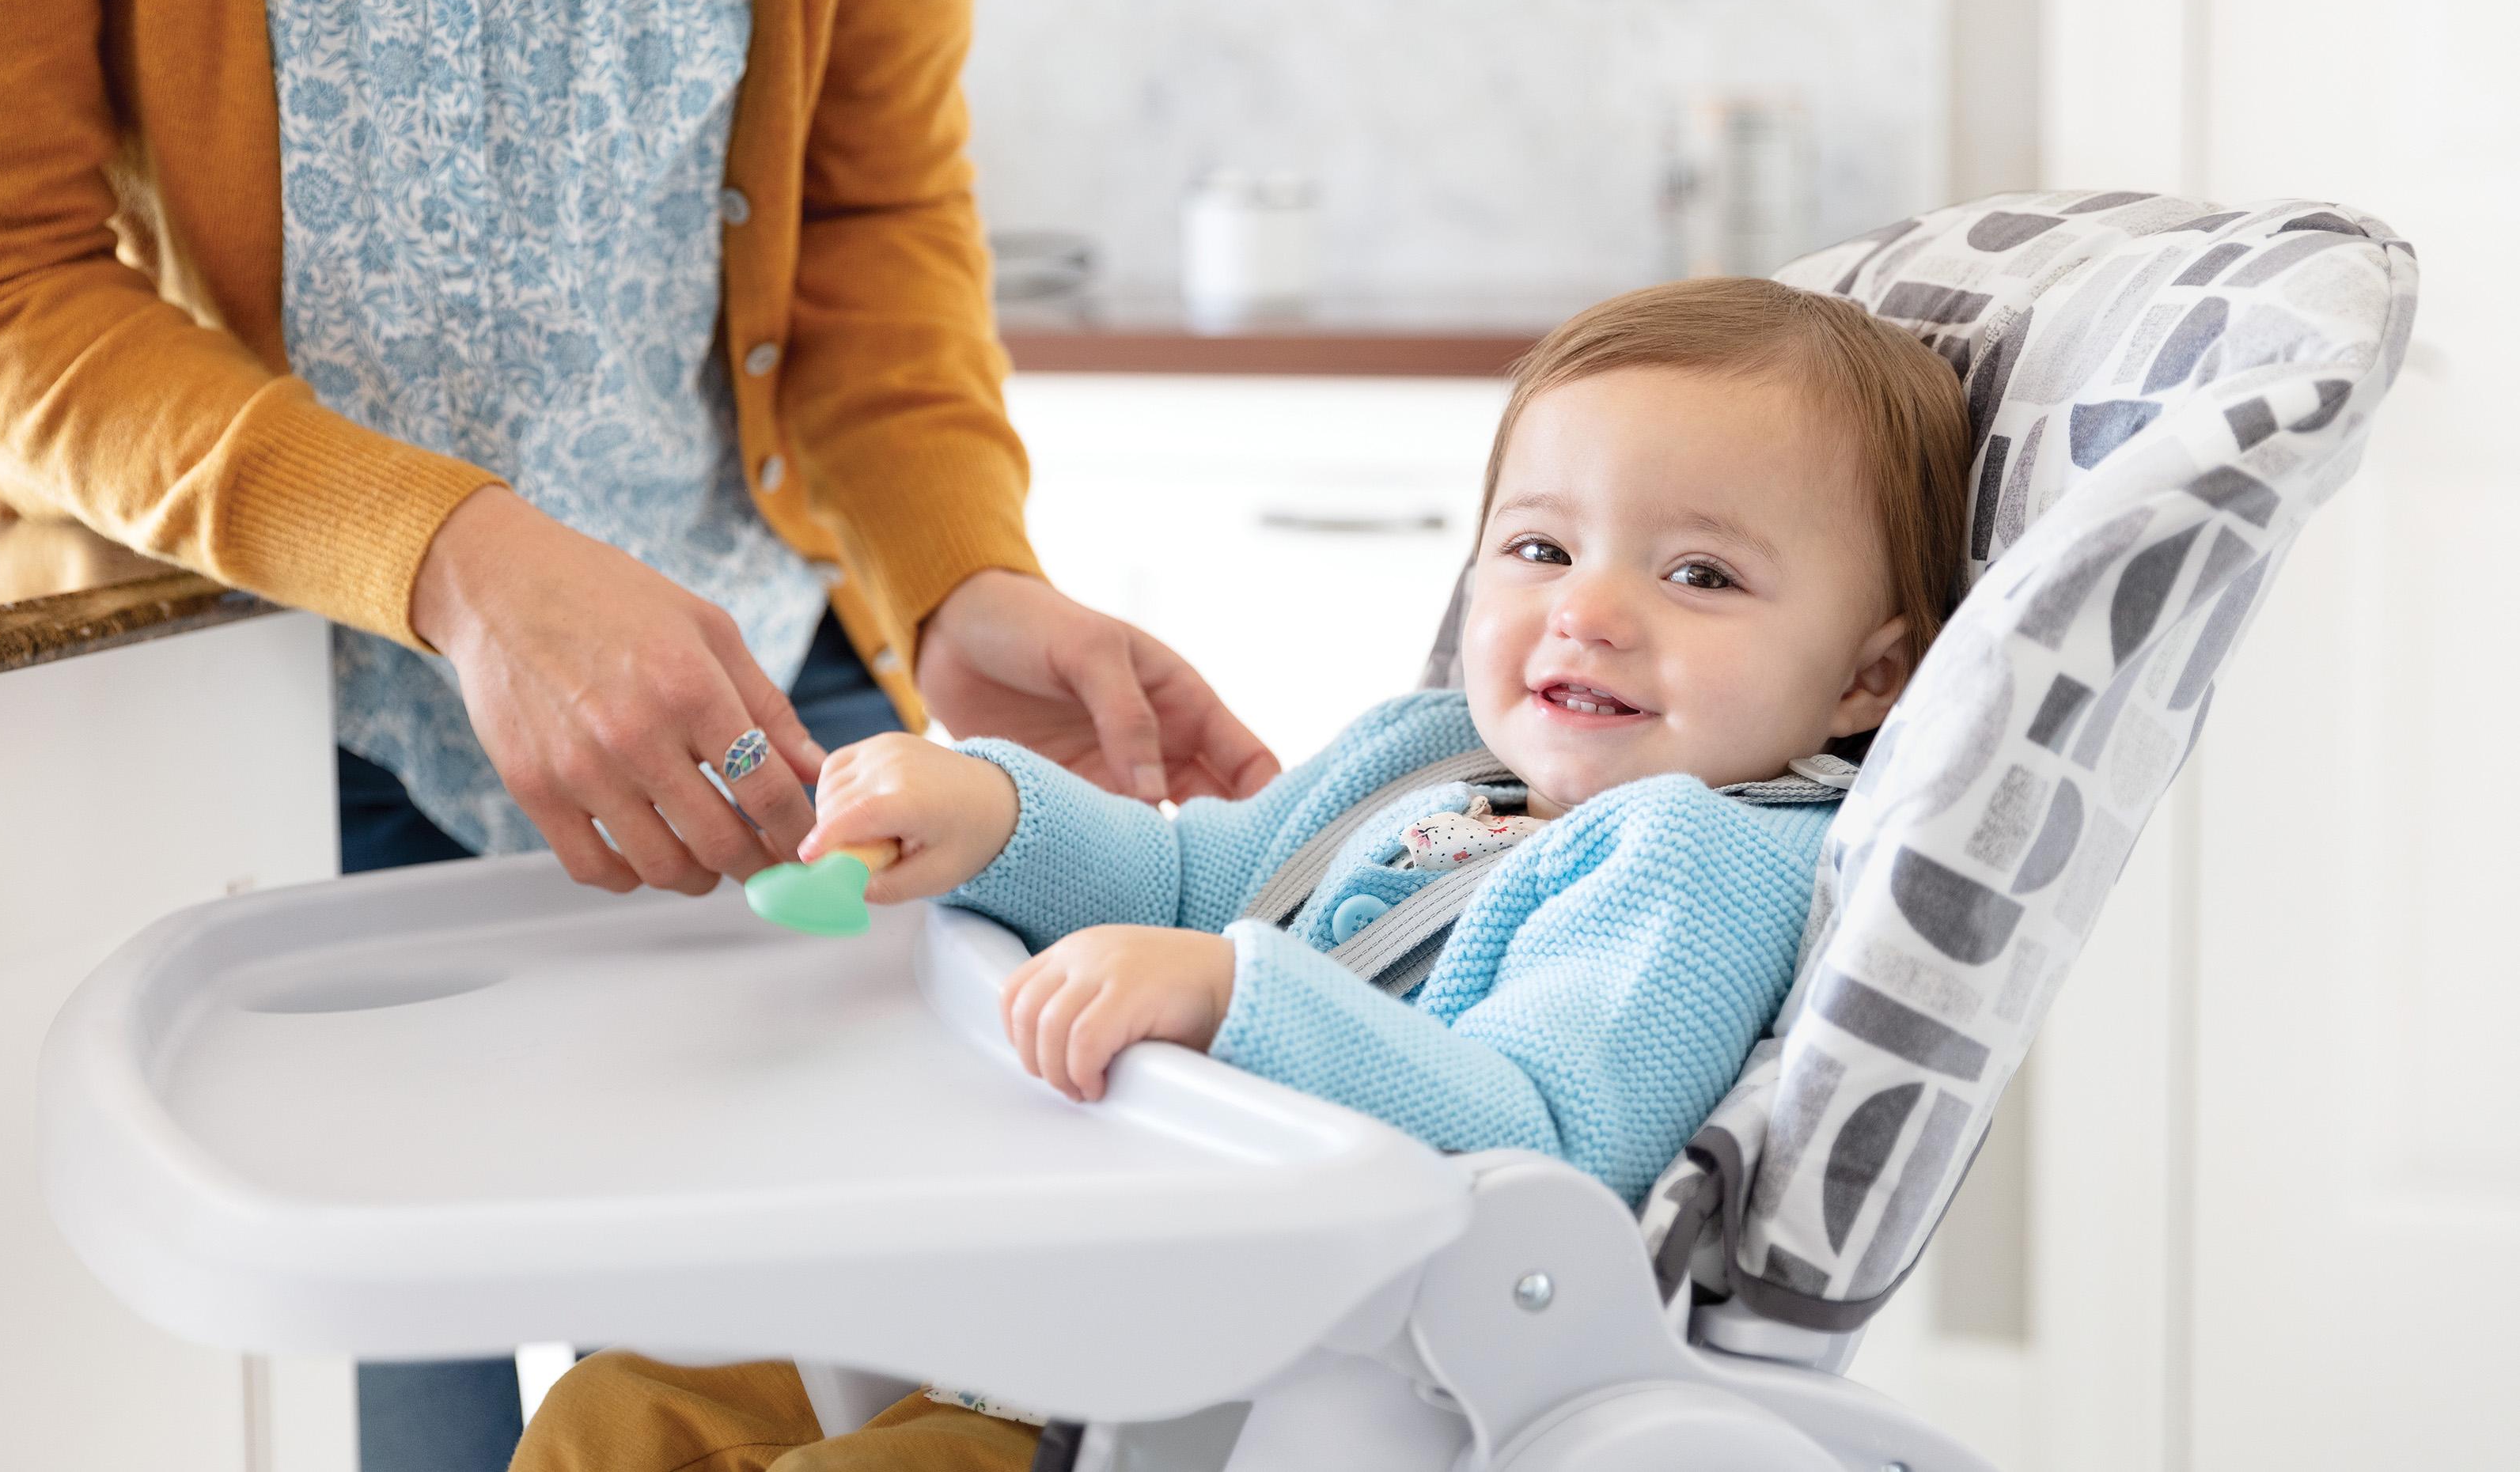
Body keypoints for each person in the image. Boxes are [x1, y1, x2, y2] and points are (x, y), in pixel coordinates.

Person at [0, 0, 1273, 1463]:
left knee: (815, 1418)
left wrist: (964, 578)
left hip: (759, 732)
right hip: (260, 724)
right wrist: (458, 565)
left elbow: (865, 205)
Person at [507, 277, 1972, 1470]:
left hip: (1234, 1394)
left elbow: (1547, 1142)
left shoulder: (1699, 861)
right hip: (1051, 1285)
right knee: (618, 1407)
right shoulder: (1427, 751)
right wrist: (996, 813)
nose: (1586, 611)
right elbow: (1189, 874)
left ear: (1870, 676)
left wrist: (1230, 999)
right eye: (1539, 546)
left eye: (1699, 574)